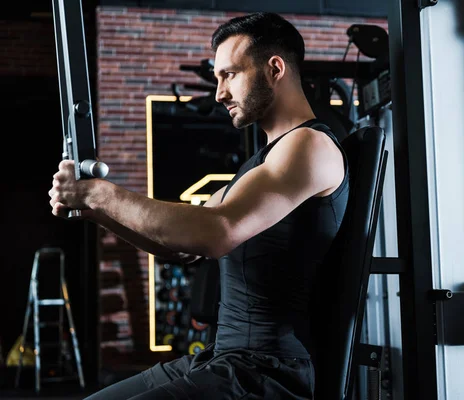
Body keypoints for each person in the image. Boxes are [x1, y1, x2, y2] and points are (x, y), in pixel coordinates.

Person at [49, 11, 349, 400]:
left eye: (230, 75)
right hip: (225, 358)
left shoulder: (308, 147)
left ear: (275, 68)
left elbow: (216, 232)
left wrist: (99, 193)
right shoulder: (263, 163)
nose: (220, 92)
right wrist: (96, 211)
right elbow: (181, 247)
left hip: (268, 373)